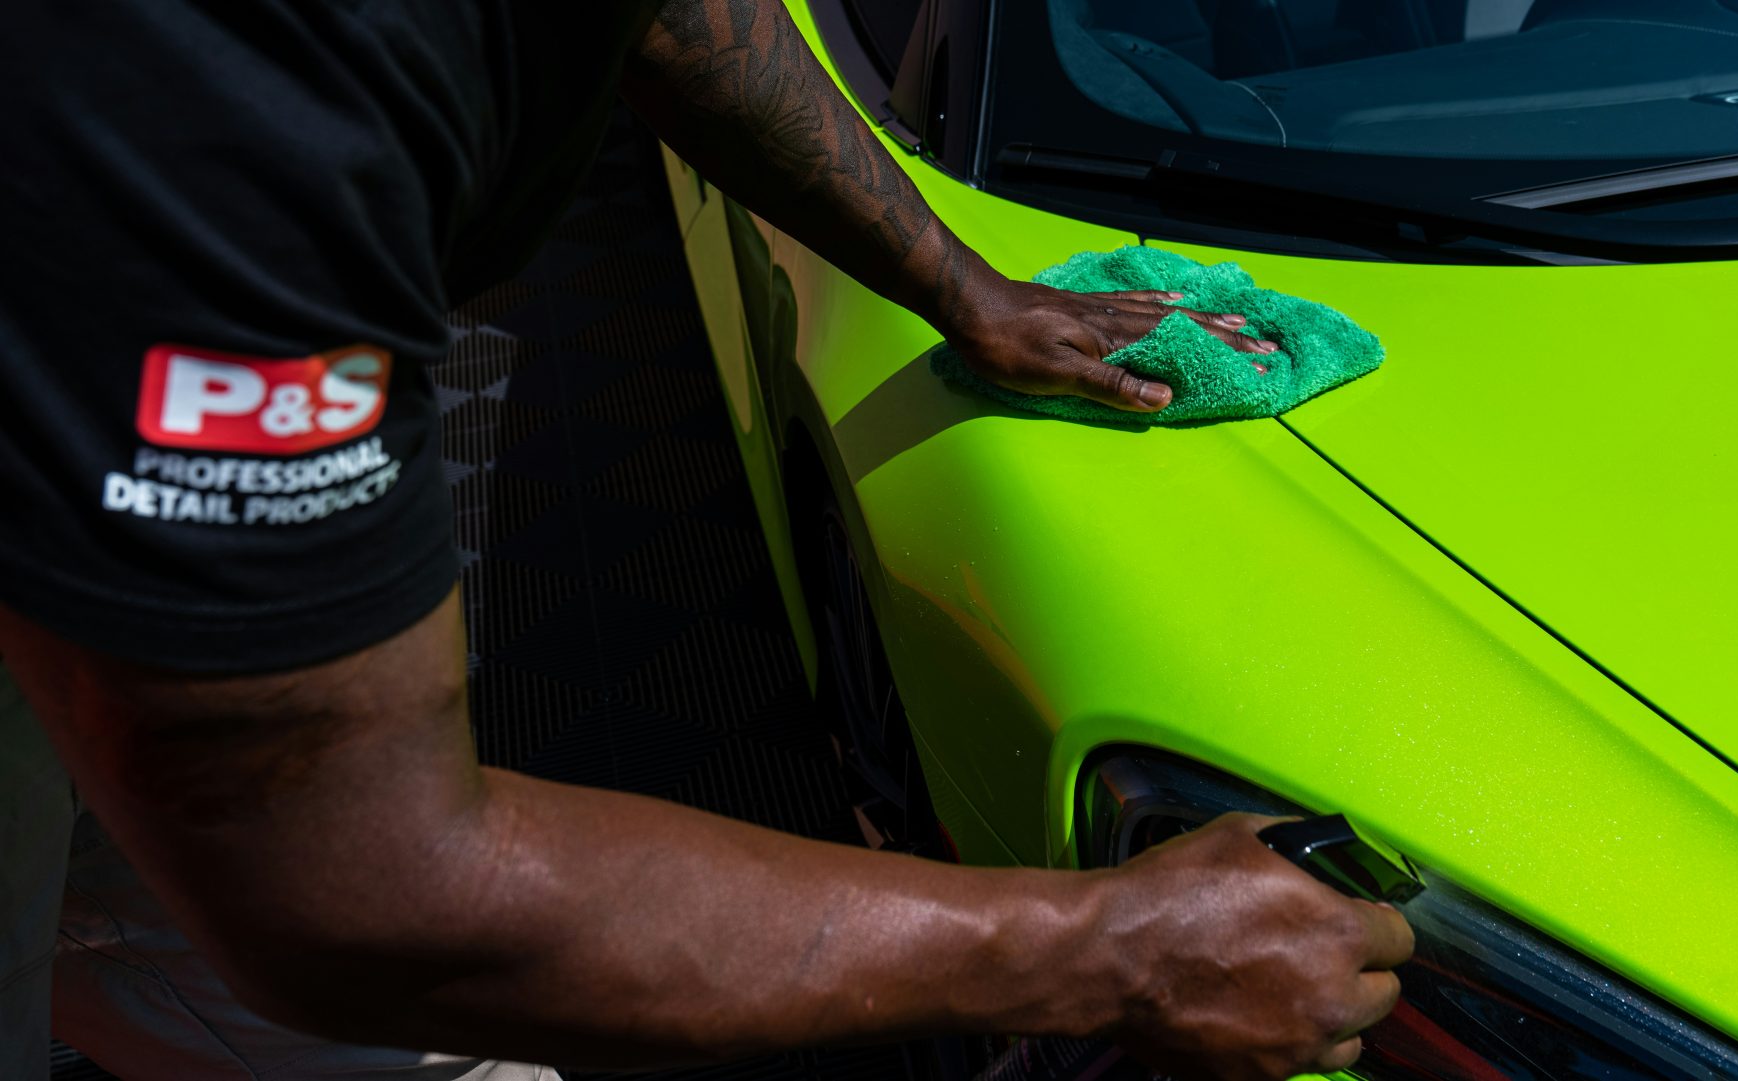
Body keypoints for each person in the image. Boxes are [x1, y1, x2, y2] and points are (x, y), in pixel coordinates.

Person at [0, 2, 1414, 1079]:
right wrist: (1112, 950)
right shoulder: (233, 79)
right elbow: (360, 880)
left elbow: (678, 15)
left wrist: (957, 282)